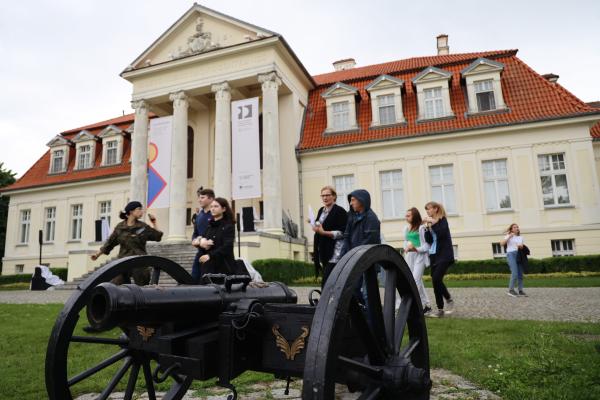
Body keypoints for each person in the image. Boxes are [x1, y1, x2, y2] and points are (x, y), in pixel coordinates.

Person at [91, 201, 162, 286]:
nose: (142, 211)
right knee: (115, 285)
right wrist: (97, 254)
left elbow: (157, 236)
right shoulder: (120, 228)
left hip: (140, 262)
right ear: (131, 211)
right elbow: (109, 243)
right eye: (139, 209)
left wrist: (154, 222)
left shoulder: (143, 227)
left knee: (142, 289)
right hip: (123, 262)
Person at [341, 189, 381, 301]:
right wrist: (347, 256)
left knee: (368, 294)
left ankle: (371, 318)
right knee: (353, 291)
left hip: (367, 262)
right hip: (354, 259)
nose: (350, 203)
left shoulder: (371, 218)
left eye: (353, 200)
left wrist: (353, 255)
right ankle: (361, 316)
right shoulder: (352, 217)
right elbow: (346, 236)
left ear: (362, 201)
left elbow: (369, 241)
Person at [423, 201, 454, 318]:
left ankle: (448, 299)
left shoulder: (442, 221)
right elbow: (429, 240)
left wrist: (432, 223)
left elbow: (441, 233)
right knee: (435, 281)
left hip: (445, 255)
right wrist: (427, 229)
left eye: (429, 209)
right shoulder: (431, 223)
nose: (427, 211)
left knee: (436, 278)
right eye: (426, 209)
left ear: (436, 209)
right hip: (434, 255)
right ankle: (440, 310)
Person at [312, 186, 348, 287]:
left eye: (327, 195)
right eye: (323, 196)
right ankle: (352, 302)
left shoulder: (340, 211)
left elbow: (343, 233)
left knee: (326, 283)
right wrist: (314, 225)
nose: (325, 198)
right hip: (324, 251)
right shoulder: (321, 211)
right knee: (334, 283)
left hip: (335, 253)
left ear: (334, 196)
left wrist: (325, 233)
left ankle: (327, 302)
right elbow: (320, 225)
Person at [196, 197, 236, 279]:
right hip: (207, 267)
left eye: (216, 206)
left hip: (223, 268)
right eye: (211, 207)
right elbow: (202, 242)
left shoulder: (228, 226)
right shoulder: (209, 226)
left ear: (224, 209)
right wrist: (202, 243)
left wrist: (210, 255)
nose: (212, 209)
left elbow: (227, 247)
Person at [403, 207, 432, 315]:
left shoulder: (421, 228)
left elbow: (427, 245)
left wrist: (416, 249)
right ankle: (427, 305)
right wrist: (406, 247)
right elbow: (405, 241)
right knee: (417, 281)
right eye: (406, 215)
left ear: (414, 216)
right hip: (409, 257)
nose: (406, 217)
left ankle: (415, 305)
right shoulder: (406, 228)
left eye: (408, 215)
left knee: (415, 281)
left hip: (420, 256)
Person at [191, 188, 215, 283]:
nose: (199, 200)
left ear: (210, 199)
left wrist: (203, 241)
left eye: (202, 197)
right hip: (200, 253)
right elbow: (195, 233)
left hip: (213, 254)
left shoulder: (215, 215)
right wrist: (195, 240)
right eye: (199, 198)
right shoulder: (199, 216)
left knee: (209, 282)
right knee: (194, 278)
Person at [500, 223, 527, 297]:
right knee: (514, 272)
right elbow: (501, 244)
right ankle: (511, 290)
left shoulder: (520, 237)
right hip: (511, 254)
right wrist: (509, 237)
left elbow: (521, 247)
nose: (517, 228)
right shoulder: (508, 236)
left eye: (517, 227)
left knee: (520, 274)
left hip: (519, 255)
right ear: (511, 229)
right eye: (515, 227)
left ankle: (520, 290)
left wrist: (521, 246)